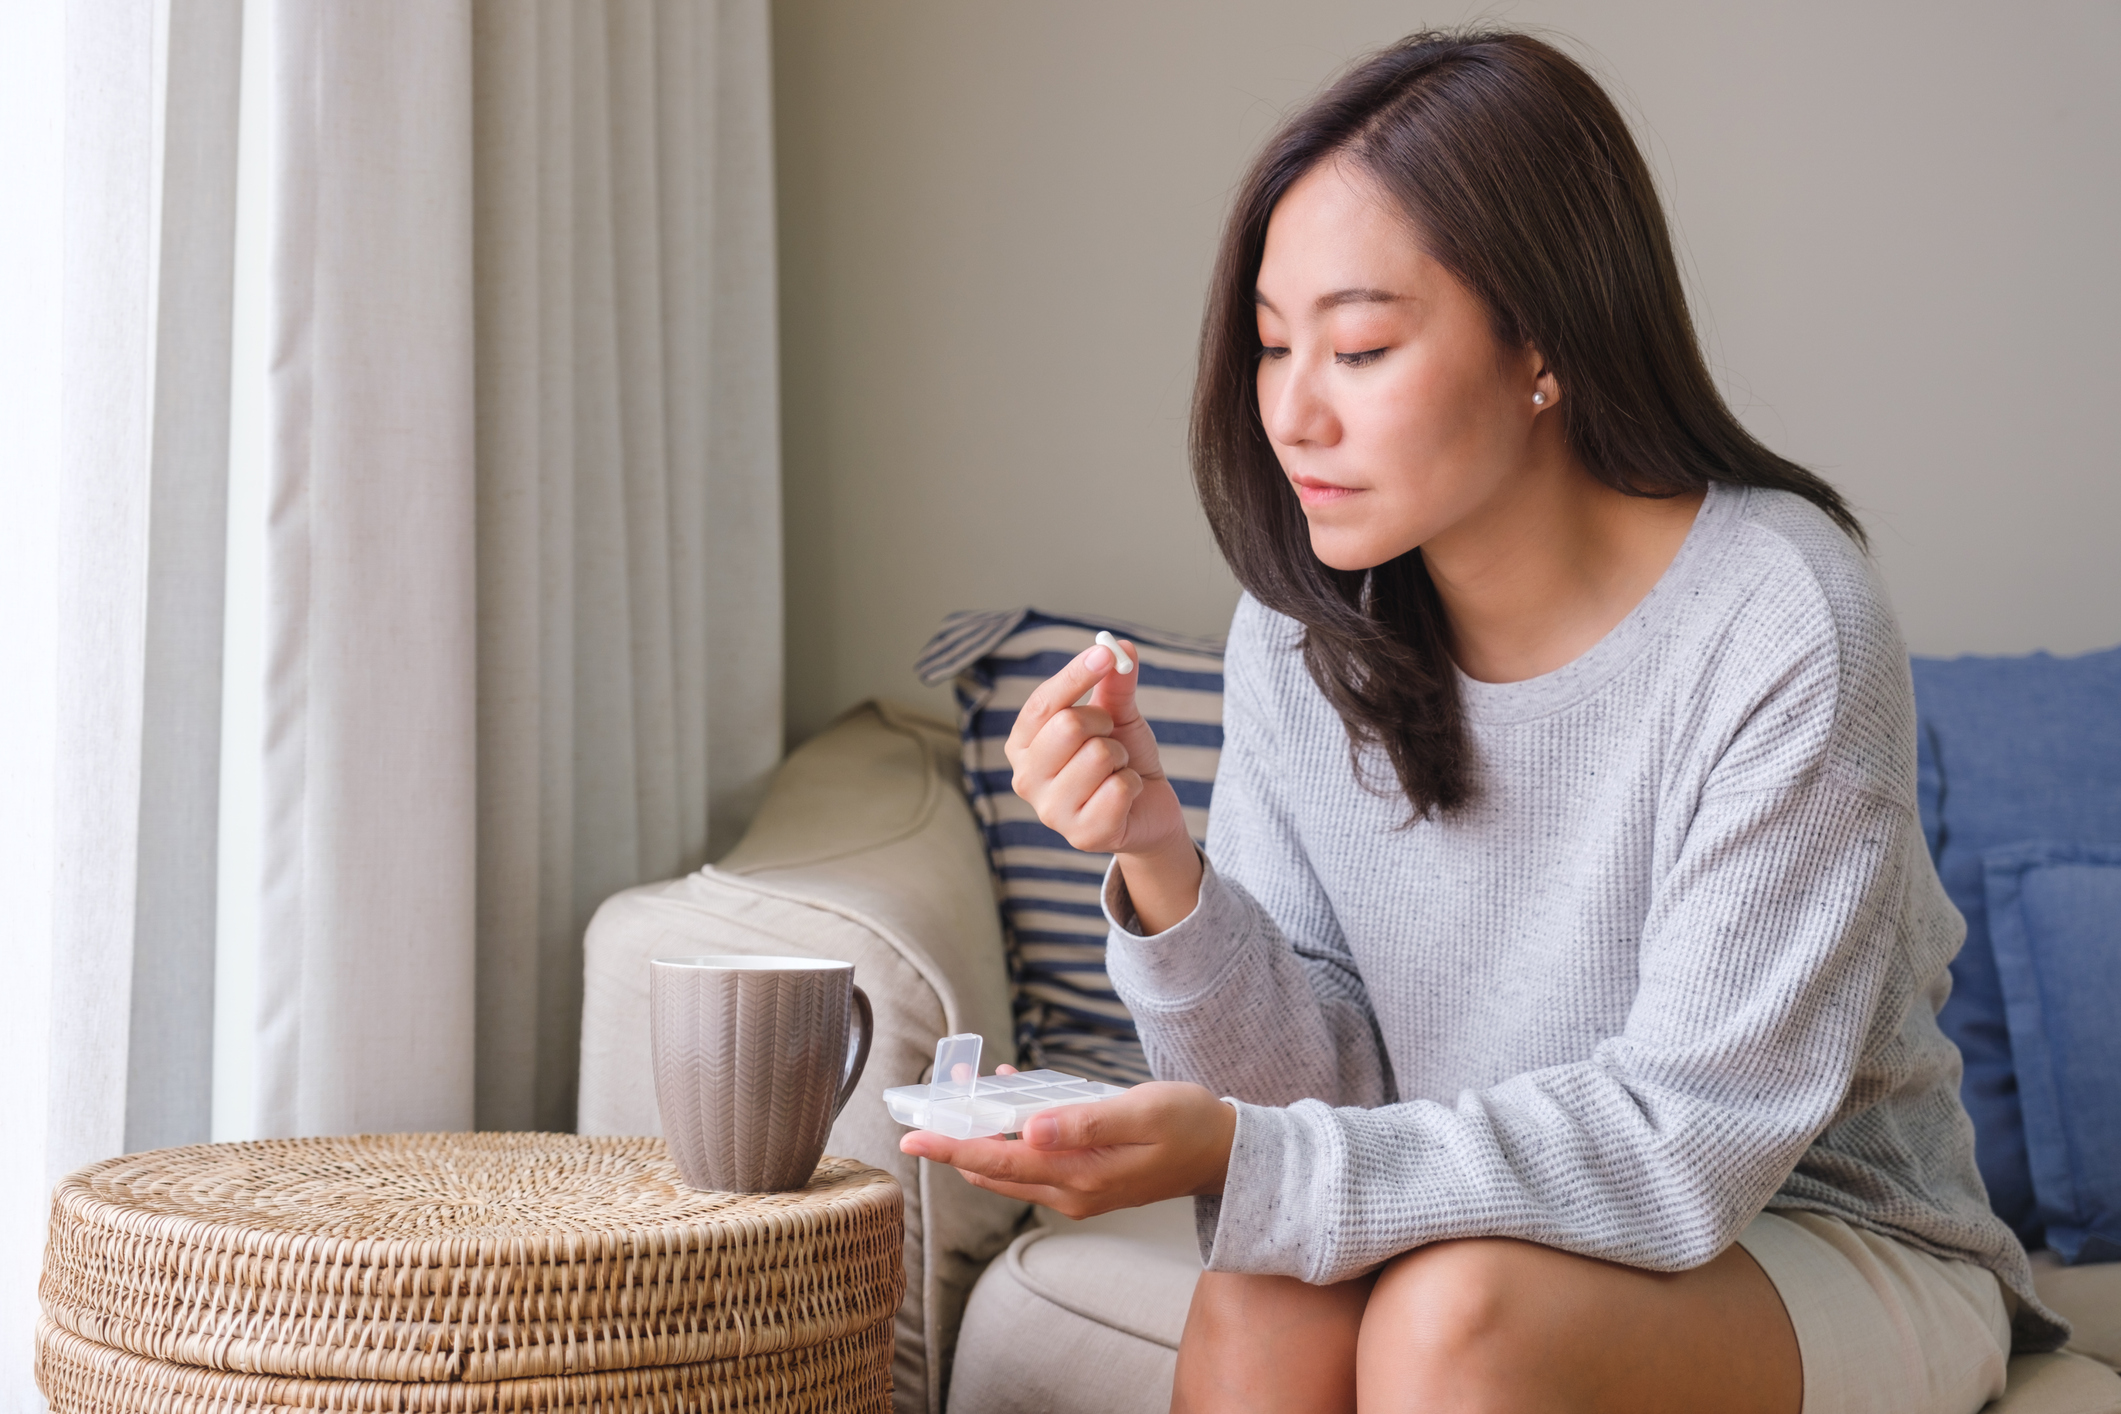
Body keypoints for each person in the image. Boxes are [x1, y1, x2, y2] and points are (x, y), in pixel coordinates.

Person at [899, 29, 2065, 1414]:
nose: (1292, 413)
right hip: (1479, 1217)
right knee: (1268, 1299)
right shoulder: (1296, 620)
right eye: (1272, 347)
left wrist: (1240, 1155)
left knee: (1453, 1321)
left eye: (1360, 345)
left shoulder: (1779, 612)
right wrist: (1160, 860)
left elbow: (1684, 1140)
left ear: (1544, 344)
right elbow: (1313, 1089)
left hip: (1816, 1231)